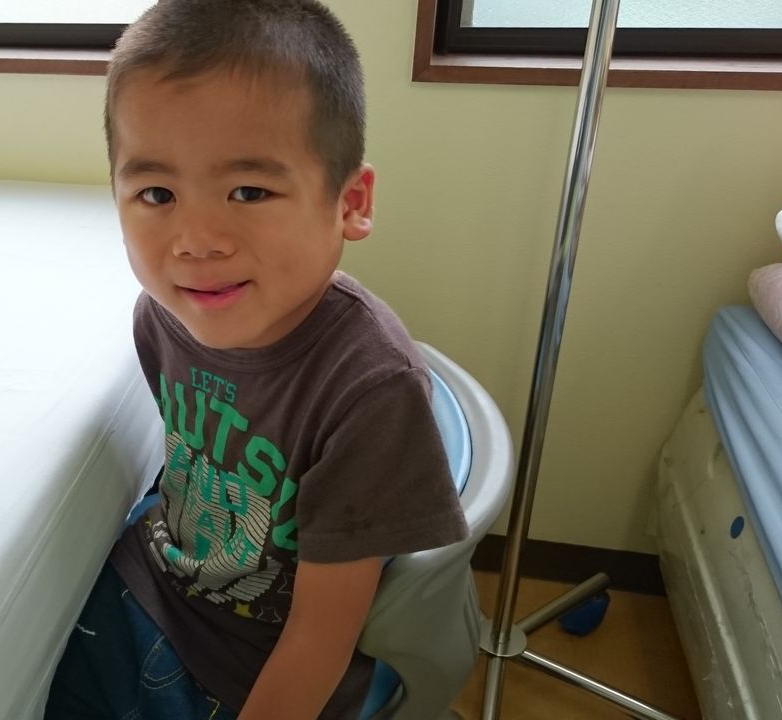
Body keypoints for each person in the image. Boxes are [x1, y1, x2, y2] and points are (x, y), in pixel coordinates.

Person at [45, 1, 468, 717]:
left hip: (243, 665)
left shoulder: (369, 393)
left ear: (350, 202)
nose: (196, 241)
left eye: (249, 191)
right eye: (156, 193)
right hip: (152, 578)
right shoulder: (163, 316)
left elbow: (319, 639)